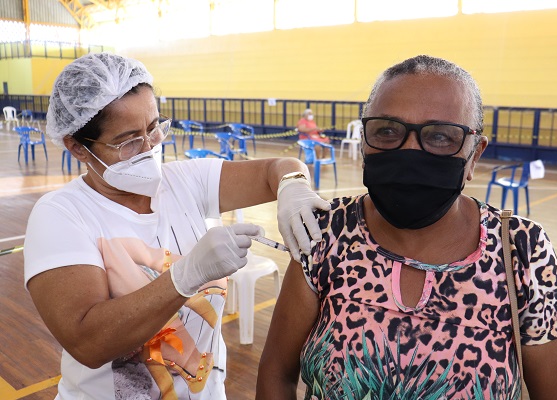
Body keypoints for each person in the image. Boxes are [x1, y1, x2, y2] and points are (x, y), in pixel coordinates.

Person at [257, 55, 557, 399]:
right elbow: (276, 374)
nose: (410, 151)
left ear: (475, 154)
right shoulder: (328, 233)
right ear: (364, 140)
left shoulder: (521, 249)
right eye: (387, 131)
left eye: (441, 136)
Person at [23, 52, 330, 400]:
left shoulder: (185, 181)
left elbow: (277, 167)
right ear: (77, 148)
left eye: (154, 127)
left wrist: (292, 184)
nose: (150, 146)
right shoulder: (62, 215)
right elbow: (89, 342)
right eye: (128, 140)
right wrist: (186, 275)